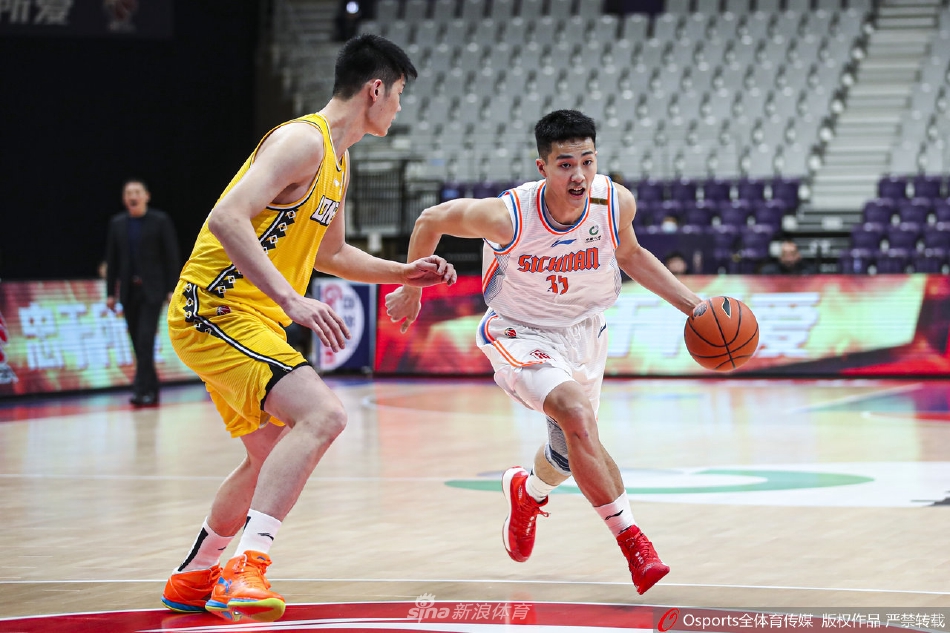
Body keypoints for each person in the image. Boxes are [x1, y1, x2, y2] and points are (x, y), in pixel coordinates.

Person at [161, 34, 455, 624]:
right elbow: (226, 218)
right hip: (213, 309)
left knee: (268, 456)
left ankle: (196, 575)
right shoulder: (302, 141)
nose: (400, 107)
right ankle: (247, 567)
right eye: (399, 94)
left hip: (246, 318)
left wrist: (404, 273)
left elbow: (333, 254)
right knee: (324, 415)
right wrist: (290, 299)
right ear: (375, 90)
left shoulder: (339, 162)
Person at [386, 110, 703, 595]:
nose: (579, 175)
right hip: (520, 332)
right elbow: (431, 220)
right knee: (576, 416)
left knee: (568, 451)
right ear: (543, 167)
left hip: (585, 332)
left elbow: (631, 255)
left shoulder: (614, 203)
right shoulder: (508, 215)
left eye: (587, 161)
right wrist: (412, 289)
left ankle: (527, 493)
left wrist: (694, 307)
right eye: (565, 164)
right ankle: (634, 543)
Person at [104, 179, 181, 407]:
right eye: (128, 193)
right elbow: (112, 260)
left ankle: (141, 391)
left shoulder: (160, 221)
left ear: (146, 196)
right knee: (137, 343)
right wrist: (110, 293)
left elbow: (171, 256)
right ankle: (151, 388)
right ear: (124, 198)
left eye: (137, 192)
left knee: (146, 339)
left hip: (152, 291)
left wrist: (172, 288)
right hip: (129, 292)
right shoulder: (117, 224)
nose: (133, 196)